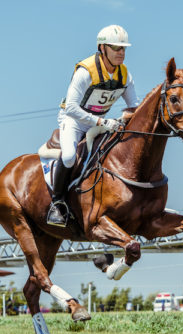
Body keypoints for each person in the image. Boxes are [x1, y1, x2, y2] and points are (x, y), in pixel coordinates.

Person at [47, 24, 139, 227]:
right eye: (116, 48)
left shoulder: (125, 75)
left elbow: (134, 106)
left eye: (123, 48)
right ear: (102, 48)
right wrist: (102, 121)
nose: (121, 53)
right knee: (70, 156)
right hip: (74, 121)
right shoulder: (86, 71)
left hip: (100, 123)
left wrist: (127, 116)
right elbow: (71, 107)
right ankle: (58, 203)